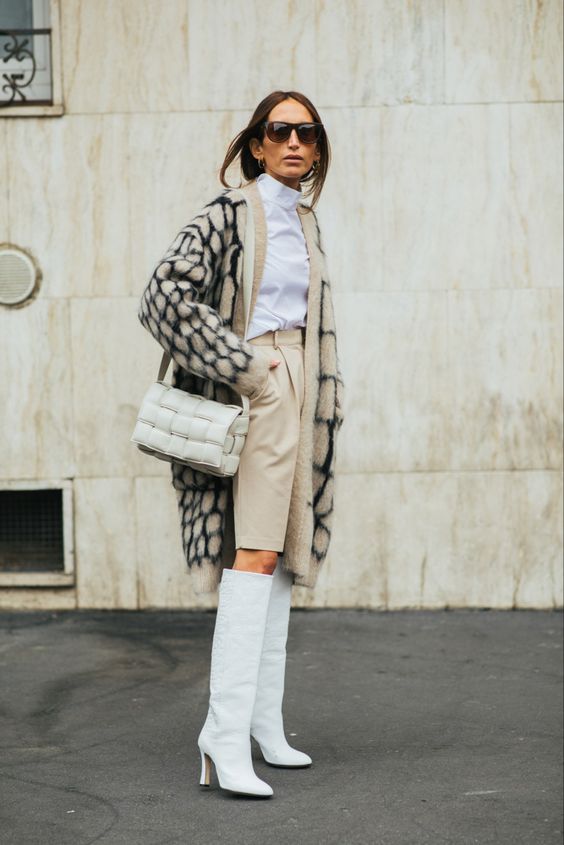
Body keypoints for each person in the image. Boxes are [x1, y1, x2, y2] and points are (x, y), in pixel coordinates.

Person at [137, 90, 344, 798]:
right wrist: (248, 369)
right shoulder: (228, 213)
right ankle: (221, 738)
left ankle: (263, 723)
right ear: (256, 143)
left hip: (300, 395)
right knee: (252, 554)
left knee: (280, 554)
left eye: (306, 133)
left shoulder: (305, 222)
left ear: (317, 148)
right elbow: (161, 296)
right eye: (279, 131)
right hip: (254, 389)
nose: (293, 143)